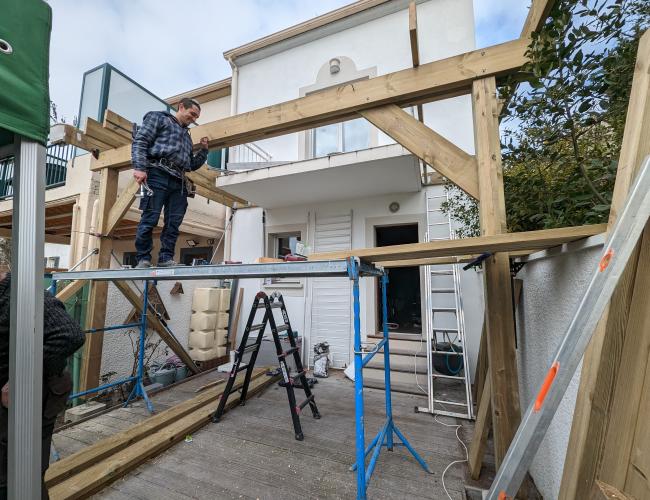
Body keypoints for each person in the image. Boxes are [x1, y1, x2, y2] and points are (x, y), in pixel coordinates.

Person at [0, 272, 86, 499]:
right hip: (13, 399)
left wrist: (19, 378)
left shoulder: (23, 296)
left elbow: (70, 335)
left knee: (17, 474)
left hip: (29, 397)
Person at [131, 98, 210, 268]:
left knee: (174, 222)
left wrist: (203, 151)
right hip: (157, 173)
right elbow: (141, 141)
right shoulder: (158, 118)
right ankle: (143, 258)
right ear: (181, 107)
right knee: (150, 217)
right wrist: (139, 167)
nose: (194, 119)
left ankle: (166, 258)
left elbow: (190, 165)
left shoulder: (187, 139)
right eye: (192, 114)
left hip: (179, 180)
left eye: (196, 117)